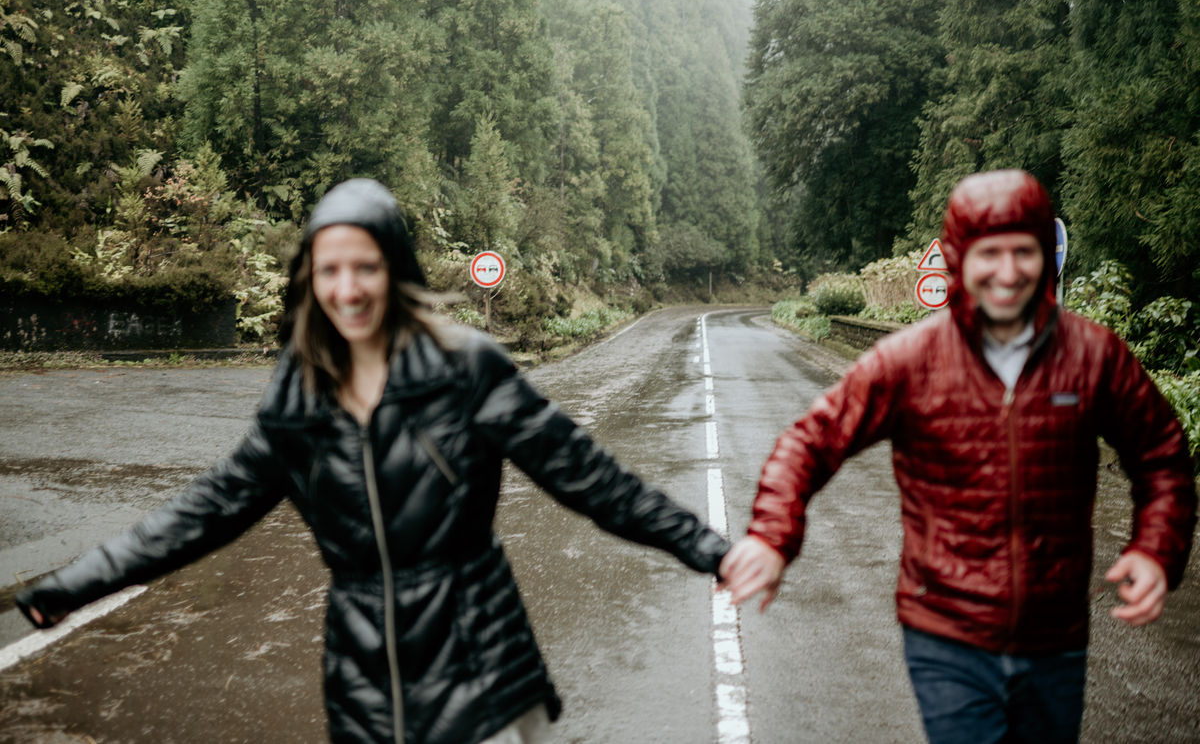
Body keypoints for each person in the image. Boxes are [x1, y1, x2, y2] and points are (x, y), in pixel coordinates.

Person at [17, 178, 730, 744]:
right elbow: (202, 513)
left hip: (478, 663)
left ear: (396, 267)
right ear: (310, 279)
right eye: (331, 270)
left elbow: (593, 480)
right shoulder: (297, 399)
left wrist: (709, 549)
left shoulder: (464, 368)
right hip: (366, 689)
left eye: (366, 266)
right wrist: (74, 585)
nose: (348, 288)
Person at [718, 169, 1196, 744]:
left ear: (1047, 256)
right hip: (946, 632)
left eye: (1025, 251)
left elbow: (1161, 453)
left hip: (1057, 635)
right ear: (959, 259)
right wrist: (772, 536)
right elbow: (810, 442)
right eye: (990, 253)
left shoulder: (1093, 356)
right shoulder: (910, 359)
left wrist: (1155, 549)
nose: (1008, 271)